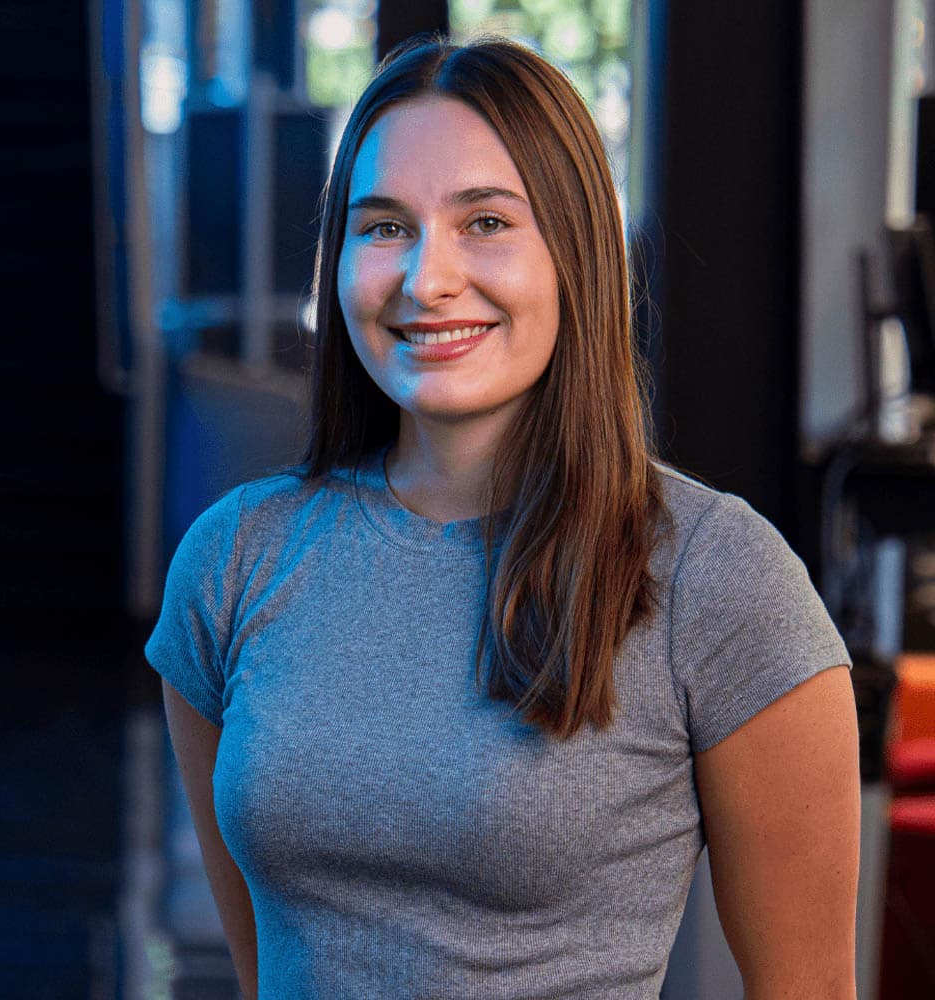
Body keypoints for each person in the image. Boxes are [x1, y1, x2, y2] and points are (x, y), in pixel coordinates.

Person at [145, 34, 861, 1000]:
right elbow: (261, 970)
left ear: (576, 251)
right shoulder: (233, 561)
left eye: (485, 221)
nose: (427, 280)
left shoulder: (719, 578)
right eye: (384, 226)